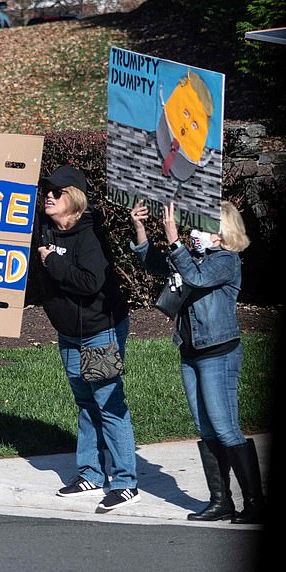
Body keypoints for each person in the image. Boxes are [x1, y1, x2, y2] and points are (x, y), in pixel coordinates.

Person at [131, 199, 265, 524]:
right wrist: (139, 227)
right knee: (206, 429)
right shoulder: (193, 257)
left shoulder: (226, 261)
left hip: (218, 351)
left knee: (225, 427)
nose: (195, 232)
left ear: (222, 233)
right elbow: (154, 263)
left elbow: (198, 279)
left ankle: (255, 503)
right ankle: (221, 502)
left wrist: (174, 239)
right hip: (190, 350)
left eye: (203, 226)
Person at [34, 165, 139, 512]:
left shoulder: (90, 235)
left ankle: (126, 482)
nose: (49, 195)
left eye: (57, 191)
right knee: (85, 404)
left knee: (108, 404)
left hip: (99, 331)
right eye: (47, 190)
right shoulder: (45, 227)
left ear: (74, 199)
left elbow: (90, 283)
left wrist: (52, 263)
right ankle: (91, 474)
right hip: (68, 334)